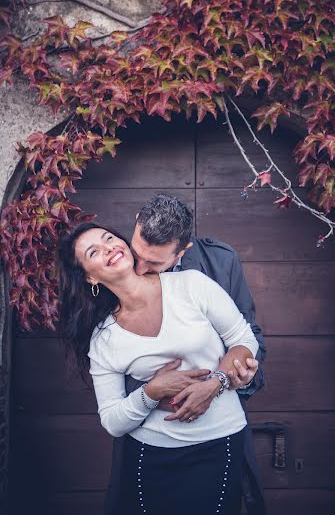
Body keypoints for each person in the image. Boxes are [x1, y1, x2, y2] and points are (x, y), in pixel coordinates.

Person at [58, 221, 260, 515]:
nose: (109, 248)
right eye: (94, 252)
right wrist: (151, 392)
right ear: (90, 277)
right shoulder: (104, 338)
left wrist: (216, 383)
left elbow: (243, 339)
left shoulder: (191, 284)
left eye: (109, 238)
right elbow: (112, 420)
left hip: (221, 442)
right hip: (150, 455)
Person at [111, 193, 267, 515]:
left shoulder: (221, 263)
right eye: (137, 252)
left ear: (183, 251)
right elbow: (104, 352)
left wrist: (219, 382)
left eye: (154, 263)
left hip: (216, 438)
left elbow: (251, 341)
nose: (138, 268)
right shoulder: (114, 258)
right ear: (136, 222)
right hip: (145, 437)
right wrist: (150, 390)